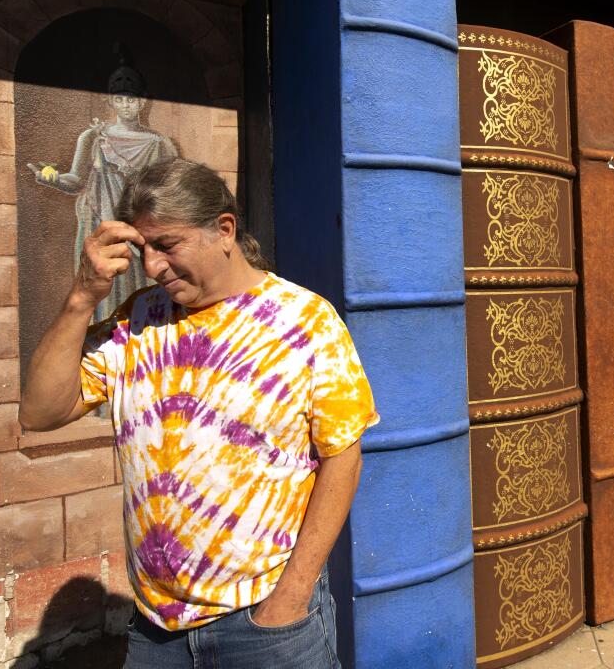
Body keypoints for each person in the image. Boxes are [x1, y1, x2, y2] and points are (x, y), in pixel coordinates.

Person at [19, 159, 378, 668]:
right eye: (143, 250)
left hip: (265, 624)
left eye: (167, 245)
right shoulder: (136, 322)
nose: (152, 267)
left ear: (224, 230)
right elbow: (39, 412)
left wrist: (289, 601)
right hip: (155, 631)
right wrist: (82, 296)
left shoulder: (305, 322)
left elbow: (343, 459)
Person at [27, 50, 178, 322]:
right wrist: (53, 179)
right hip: (100, 221)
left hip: (141, 229)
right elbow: (76, 181)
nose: (125, 105)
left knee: (143, 290)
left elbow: (174, 190)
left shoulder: (159, 144)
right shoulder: (93, 137)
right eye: (119, 99)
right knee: (103, 290)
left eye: (131, 99)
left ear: (143, 102)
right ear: (111, 101)